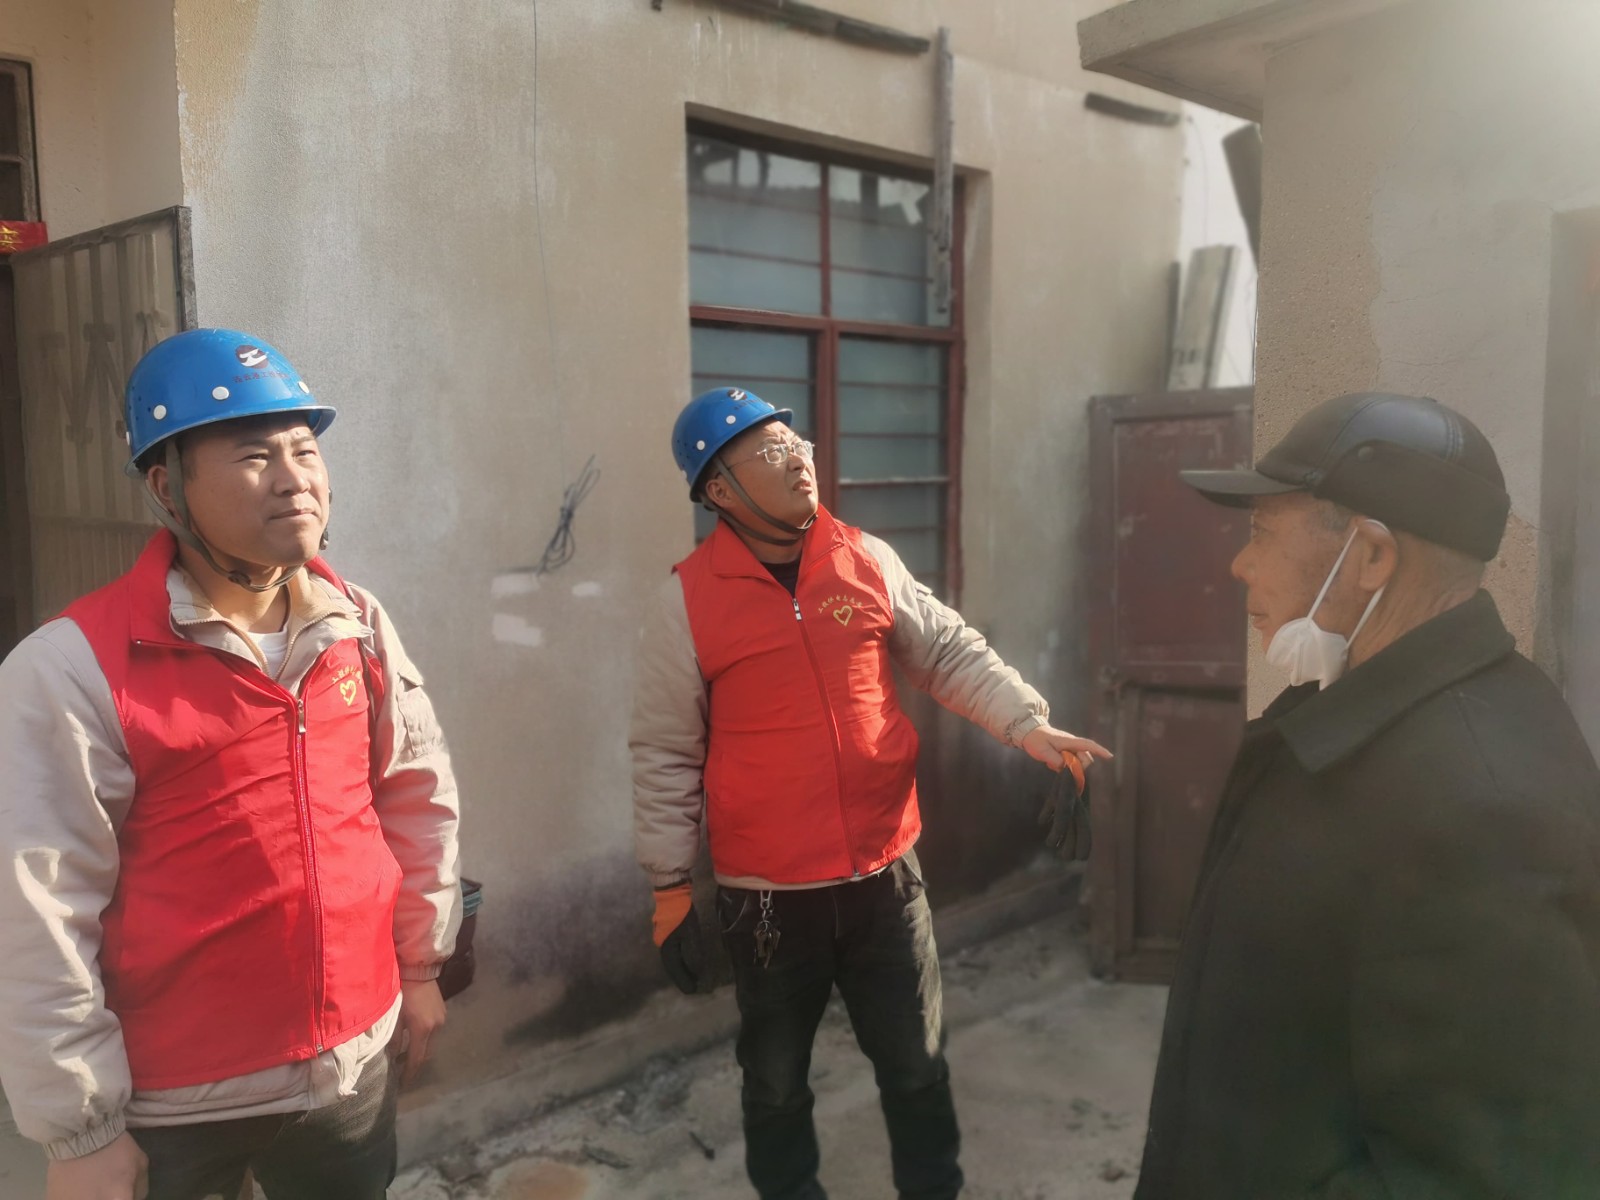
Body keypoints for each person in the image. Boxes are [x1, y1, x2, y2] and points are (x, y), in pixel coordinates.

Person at [0, 329, 462, 1200]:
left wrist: (422, 965)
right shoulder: (72, 668)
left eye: (304, 450)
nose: (294, 478)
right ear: (166, 488)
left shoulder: (357, 623)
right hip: (182, 1105)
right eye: (254, 456)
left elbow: (414, 796)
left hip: (352, 1071)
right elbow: (38, 910)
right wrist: (81, 1131)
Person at [629, 386, 1107, 1200]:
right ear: (718, 489)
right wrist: (670, 885)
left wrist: (1028, 725)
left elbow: (948, 653)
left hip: (887, 880)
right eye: (769, 452)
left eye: (797, 444)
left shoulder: (864, 558)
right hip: (769, 900)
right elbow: (666, 752)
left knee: (917, 1065)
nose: (798, 460)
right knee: (775, 1083)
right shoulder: (685, 601)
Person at [1134, 392, 1600, 1198]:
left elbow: (1483, 1175)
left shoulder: (1484, 811)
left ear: (1372, 557)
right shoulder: (1368, 712)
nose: (1241, 565)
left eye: (1261, 532)